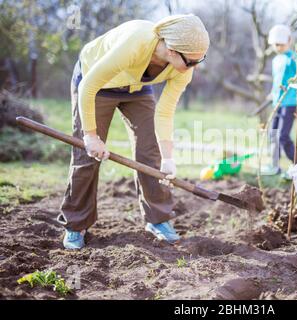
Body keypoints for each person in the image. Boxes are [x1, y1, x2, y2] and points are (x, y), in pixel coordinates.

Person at [57, 14, 209, 249]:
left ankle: (157, 219)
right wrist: (90, 136)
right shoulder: (134, 43)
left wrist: (168, 159)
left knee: (151, 151)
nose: (194, 67)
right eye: (191, 61)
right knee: (87, 155)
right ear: (171, 50)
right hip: (96, 84)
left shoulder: (183, 69)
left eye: (200, 60)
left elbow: (165, 112)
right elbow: (88, 85)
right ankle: (76, 224)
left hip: (137, 88)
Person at [261, 24, 297, 179]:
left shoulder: (294, 58)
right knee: (273, 134)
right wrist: (272, 93)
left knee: (283, 136)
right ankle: (275, 166)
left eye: (281, 44)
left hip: (290, 103)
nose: (278, 47)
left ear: (289, 41)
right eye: (276, 45)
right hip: (276, 103)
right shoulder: (275, 60)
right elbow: (277, 80)